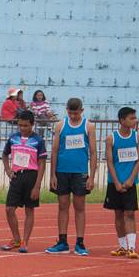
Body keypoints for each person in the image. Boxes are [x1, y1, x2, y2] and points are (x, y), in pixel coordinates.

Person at [46, 97, 96, 256]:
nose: (73, 116)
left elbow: (93, 153)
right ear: (66, 110)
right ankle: (62, 242)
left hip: (80, 172)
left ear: (82, 111)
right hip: (62, 171)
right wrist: (52, 175)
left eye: (76, 113)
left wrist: (92, 177)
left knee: (79, 207)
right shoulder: (60, 125)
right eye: (70, 113)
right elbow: (54, 151)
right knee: (62, 206)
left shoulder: (89, 126)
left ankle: (80, 243)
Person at [0, 110, 47, 253]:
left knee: (29, 210)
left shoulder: (38, 141)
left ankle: (24, 242)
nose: (22, 128)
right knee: (9, 209)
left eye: (25, 125)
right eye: (20, 125)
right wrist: (8, 170)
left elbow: (42, 163)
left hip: (31, 176)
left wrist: (37, 186)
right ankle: (16, 239)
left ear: (32, 125)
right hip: (17, 176)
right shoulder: (13, 138)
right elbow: (5, 154)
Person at [104, 107, 139, 259]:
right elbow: (109, 161)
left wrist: (131, 179)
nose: (135, 120)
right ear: (122, 120)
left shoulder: (137, 137)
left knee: (130, 213)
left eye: (135, 117)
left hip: (130, 182)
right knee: (118, 214)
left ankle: (131, 247)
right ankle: (122, 246)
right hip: (115, 182)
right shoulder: (111, 138)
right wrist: (116, 182)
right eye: (131, 118)